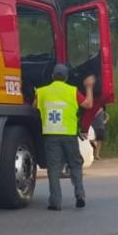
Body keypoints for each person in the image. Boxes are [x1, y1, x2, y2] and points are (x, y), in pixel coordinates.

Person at [34, 63, 95, 210]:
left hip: (51, 136)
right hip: (68, 135)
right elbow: (88, 104)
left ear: (52, 76)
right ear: (66, 78)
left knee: (53, 169)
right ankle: (80, 194)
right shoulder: (72, 91)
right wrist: (88, 87)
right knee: (75, 165)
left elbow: (34, 106)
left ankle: (55, 202)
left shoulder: (42, 92)